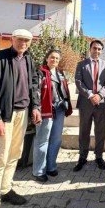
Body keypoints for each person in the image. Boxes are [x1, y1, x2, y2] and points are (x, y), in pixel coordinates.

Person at [0, 29, 41, 208]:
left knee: (14, 154)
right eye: (20, 40)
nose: (23, 43)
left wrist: (36, 106)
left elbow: (33, 84)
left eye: (27, 40)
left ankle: (5, 190)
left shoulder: (28, 60)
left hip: (22, 115)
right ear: (12, 40)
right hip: (4, 116)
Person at [32, 48, 73, 183]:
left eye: (56, 58)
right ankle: (39, 171)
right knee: (42, 140)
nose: (54, 60)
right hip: (46, 110)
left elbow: (64, 91)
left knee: (56, 140)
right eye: (52, 57)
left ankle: (51, 166)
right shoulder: (40, 72)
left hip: (59, 110)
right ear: (47, 58)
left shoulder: (60, 73)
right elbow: (36, 91)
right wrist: (36, 108)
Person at [73, 40, 105, 171]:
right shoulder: (81, 64)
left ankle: (99, 156)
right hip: (86, 102)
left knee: (100, 131)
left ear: (102, 51)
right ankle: (82, 157)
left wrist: (99, 96)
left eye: (99, 49)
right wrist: (90, 95)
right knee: (84, 131)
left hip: (100, 104)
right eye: (94, 48)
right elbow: (78, 81)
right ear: (90, 49)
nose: (97, 51)